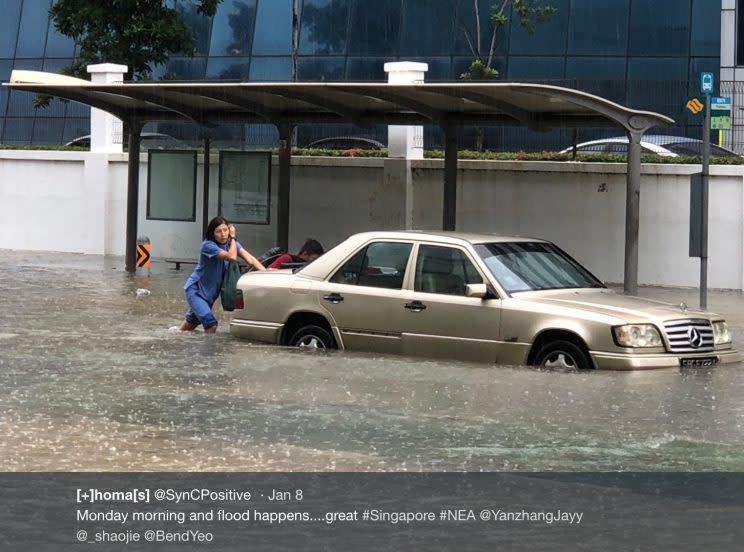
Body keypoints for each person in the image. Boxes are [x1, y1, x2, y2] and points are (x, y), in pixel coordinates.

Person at [176, 216, 265, 333]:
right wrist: (233, 237)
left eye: (225, 230)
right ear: (212, 234)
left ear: (229, 229)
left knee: (189, 326)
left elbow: (251, 259)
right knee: (211, 324)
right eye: (218, 231)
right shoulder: (208, 246)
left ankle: (172, 336)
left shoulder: (231, 245)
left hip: (210, 294)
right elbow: (231, 257)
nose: (223, 234)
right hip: (196, 290)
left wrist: (266, 272)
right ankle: (208, 351)